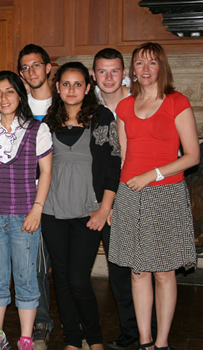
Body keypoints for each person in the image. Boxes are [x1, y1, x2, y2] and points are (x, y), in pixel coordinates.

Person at [109, 42, 199, 350]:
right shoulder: (123, 107)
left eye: (151, 63)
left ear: (161, 67)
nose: (144, 69)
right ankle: (145, 341)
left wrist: (154, 173)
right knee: (137, 271)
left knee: (163, 273)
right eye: (139, 63)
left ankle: (162, 343)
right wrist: (117, 200)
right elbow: (124, 157)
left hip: (166, 194)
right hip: (131, 195)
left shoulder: (177, 102)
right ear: (132, 69)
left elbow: (192, 156)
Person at [42, 62, 121, 350]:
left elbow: (114, 165)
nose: (71, 89)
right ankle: (73, 340)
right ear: (58, 88)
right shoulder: (47, 123)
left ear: (88, 88)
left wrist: (104, 208)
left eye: (78, 84)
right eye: (65, 84)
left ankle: (95, 337)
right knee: (61, 278)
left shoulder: (101, 117)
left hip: (89, 213)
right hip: (52, 212)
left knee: (78, 279)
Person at [0, 71, 52, 350]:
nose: (4, 98)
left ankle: (25, 338)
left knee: (26, 278)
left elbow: (45, 173)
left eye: (9, 91)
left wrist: (37, 210)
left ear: (19, 95)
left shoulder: (37, 130)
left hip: (26, 215)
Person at [91, 48, 138, 350]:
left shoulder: (138, 105)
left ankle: (152, 332)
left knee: (144, 270)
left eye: (115, 71)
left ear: (125, 73)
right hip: (102, 202)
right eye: (102, 71)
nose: (109, 78)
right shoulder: (89, 109)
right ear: (94, 75)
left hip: (135, 196)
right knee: (118, 271)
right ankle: (131, 332)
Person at [17, 44, 54, 350]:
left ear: (48, 67)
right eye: (26, 68)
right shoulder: (19, 106)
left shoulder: (67, 99)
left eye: (36, 65)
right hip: (30, 195)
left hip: (65, 194)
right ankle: (40, 322)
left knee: (67, 267)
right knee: (35, 264)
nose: (31, 72)